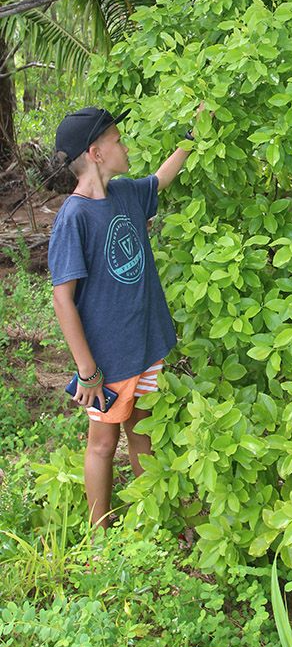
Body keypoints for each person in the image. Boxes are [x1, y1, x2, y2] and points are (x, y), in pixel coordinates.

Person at [48, 105, 195, 530]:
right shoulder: (73, 218)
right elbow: (63, 299)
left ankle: (149, 529)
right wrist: (87, 369)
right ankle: (100, 537)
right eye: (117, 140)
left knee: (142, 433)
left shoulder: (127, 193)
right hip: (107, 359)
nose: (125, 146)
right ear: (95, 152)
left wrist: (193, 130)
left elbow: (163, 177)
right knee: (101, 443)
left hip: (144, 344)